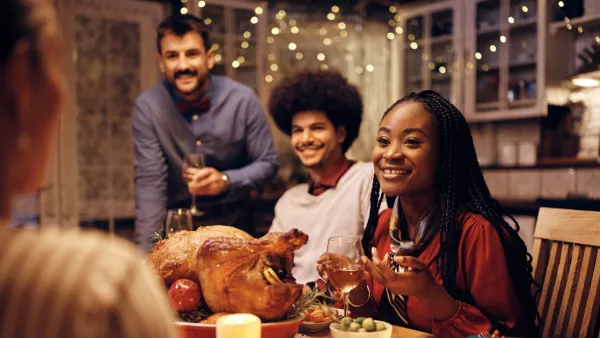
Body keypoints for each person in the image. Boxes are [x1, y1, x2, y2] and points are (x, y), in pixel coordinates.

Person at [0, 1, 178, 337]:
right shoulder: (101, 287)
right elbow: (150, 183)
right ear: (20, 82)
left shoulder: (239, 101)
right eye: (58, 64)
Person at [318, 91, 538, 338]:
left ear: (445, 157)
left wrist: (430, 293)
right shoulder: (382, 224)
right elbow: (370, 324)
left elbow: (509, 333)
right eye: (383, 141)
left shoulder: (477, 233)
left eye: (412, 142)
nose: (390, 154)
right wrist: (355, 284)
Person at [133, 14, 278, 252]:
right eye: (172, 56)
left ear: (209, 58)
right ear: (161, 63)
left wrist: (225, 181)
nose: (182, 66)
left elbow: (267, 163)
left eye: (191, 53)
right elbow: (150, 185)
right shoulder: (148, 107)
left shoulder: (243, 100)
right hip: (179, 227)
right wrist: (145, 259)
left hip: (234, 224)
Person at [268, 69, 378, 286]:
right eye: (297, 131)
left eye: (317, 128)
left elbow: (377, 255)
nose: (306, 139)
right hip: (296, 307)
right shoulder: (288, 201)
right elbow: (270, 260)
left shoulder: (366, 178)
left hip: (347, 304)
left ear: (340, 134)